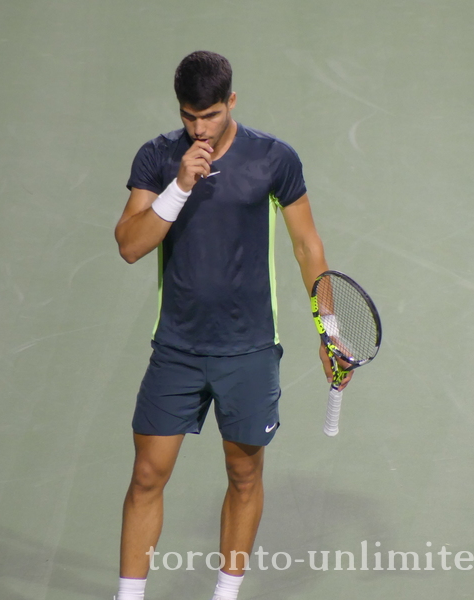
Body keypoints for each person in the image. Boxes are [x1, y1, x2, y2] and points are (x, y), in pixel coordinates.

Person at [113, 50, 351, 600]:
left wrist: (328, 328)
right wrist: (178, 188)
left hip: (248, 352)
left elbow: (306, 245)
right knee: (147, 476)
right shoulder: (158, 158)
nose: (200, 129)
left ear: (232, 103)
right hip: (176, 349)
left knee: (244, 477)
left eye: (212, 115)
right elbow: (129, 245)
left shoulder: (274, 159)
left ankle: (226, 594)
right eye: (190, 117)